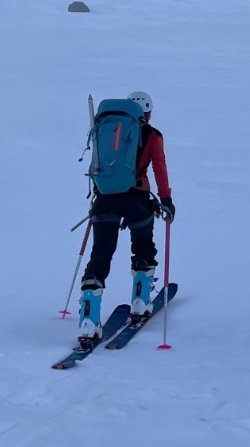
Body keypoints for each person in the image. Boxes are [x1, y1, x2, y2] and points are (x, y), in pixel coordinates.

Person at [77, 90, 175, 344]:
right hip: (137, 199)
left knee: (101, 253)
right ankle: (141, 302)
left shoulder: (106, 129)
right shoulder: (152, 135)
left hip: (105, 198)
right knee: (143, 245)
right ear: (148, 113)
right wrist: (166, 199)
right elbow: (159, 166)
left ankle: (88, 319)